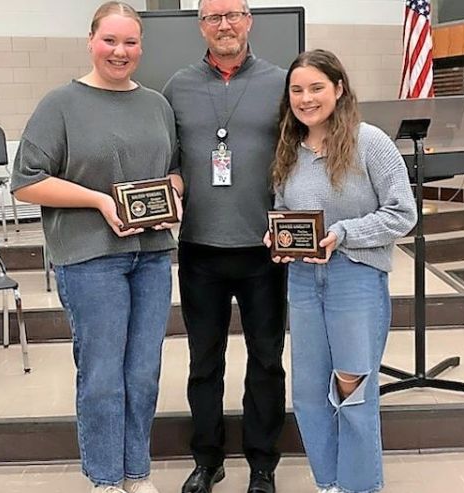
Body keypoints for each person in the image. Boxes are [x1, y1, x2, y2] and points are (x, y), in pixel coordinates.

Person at [11, 3, 181, 493]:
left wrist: (173, 193)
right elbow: (25, 183)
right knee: (104, 376)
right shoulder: (60, 104)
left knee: (144, 374)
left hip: (150, 255)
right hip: (89, 259)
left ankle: (136, 473)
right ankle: (105, 480)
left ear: (141, 47)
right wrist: (99, 202)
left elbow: (171, 169)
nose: (120, 51)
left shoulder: (156, 104)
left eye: (130, 42)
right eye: (110, 40)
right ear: (91, 41)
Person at [265, 49, 417, 493]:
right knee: (310, 394)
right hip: (303, 282)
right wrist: (278, 239)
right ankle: (328, 483)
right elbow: (282, 210)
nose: (306, 98)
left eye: (316, 88)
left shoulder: (370, 142)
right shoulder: (288, 150)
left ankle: (359, 486)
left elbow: (402, 213)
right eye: (297, 90)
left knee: (353, 388)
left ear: (339, 89)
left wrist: (344, 233)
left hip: (356, 278)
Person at [162, 1, 287, 492]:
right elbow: (168, 159)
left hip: (264, 251)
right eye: (213, 17)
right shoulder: (177, 86)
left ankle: (262, 464)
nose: (225, 25)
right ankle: (208, 459)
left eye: (233, 14)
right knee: (204, 361)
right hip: (200, 250)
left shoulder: (282, 83)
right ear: (201, 26)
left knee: (266, 359)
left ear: (249, 20)